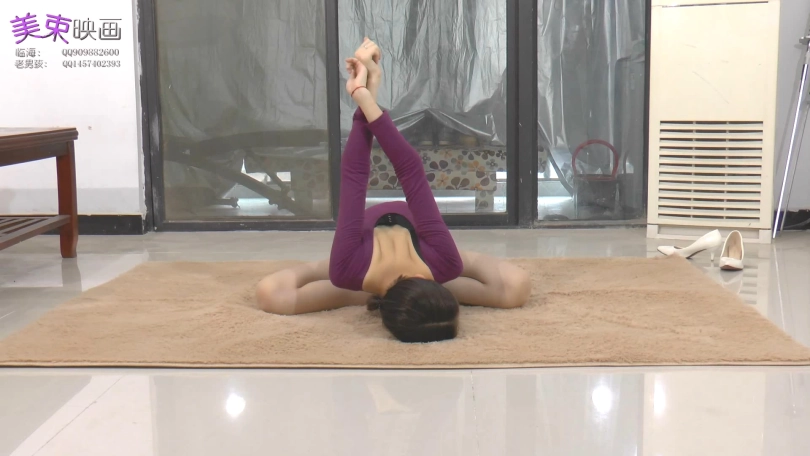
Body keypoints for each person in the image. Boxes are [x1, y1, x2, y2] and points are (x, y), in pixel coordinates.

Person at [256, 39, 531, 343]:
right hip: (422, 250)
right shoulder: (445, 264)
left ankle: (361, 294)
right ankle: (377, 293)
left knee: (274, 295)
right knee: (514, 289)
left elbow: (355, 176)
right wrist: (365, 97)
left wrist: (365, 99)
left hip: (361, 265)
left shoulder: (348, 269)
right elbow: (409, 170)